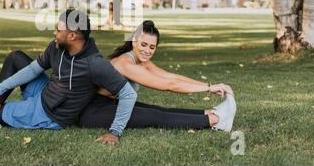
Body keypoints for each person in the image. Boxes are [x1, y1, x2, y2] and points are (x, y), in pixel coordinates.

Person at [0, 9, 137, 145]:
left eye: (57, 29)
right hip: (46, 93)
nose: (54, 32)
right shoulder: (57, 47)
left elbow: (128, 94)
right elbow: (33, 69)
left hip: (52, 114)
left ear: (72, 35)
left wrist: (115, 132)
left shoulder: (94, 64)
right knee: (16, 57)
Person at [78, 20, 237, 132]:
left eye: (152, 47)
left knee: (159, 109)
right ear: (134, 41)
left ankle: (209, 112)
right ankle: (216, 121)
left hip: (111, 104)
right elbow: (170, 86)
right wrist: (208, 89)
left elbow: (171, 77)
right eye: (144, 44)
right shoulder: (125, 64)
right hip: (93, 112)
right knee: (156, 116)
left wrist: (209, 86)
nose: (147, 50)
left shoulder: (140, 59)